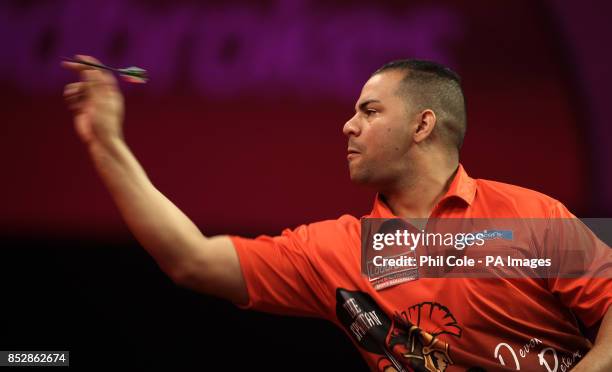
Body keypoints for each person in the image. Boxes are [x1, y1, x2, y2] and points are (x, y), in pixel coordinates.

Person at [62, 56, 611, 371]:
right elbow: (191, 260)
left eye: (369, 111)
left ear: (423, 126)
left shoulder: (530, 215)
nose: (347, 126)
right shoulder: (337, 251)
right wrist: (106, 142)